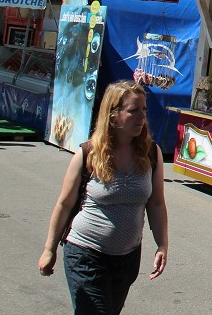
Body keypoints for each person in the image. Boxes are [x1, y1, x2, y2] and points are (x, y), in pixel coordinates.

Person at [38, 81, 168, 314]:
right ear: (113, 115)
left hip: (127, 259)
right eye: (133, 110)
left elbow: (156, 203)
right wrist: (49, 249)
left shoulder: (151, 153)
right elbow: (65, 203)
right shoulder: (88, 153)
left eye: (144, 110)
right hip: (86, 254)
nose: (142, 116)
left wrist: (162, 245)